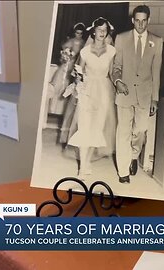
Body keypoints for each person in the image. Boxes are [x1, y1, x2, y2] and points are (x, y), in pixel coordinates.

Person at [112, 5, 163, 184]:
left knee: (140, 130)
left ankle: (134, 155)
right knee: (123, 132)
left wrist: (155, 99)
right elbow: (116, 66)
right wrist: (117, 81)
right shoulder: (121, 39)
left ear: (148, 21)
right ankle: (123, 171)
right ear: (133, 20)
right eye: (137, 20)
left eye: (144, 21)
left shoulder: (157, 42)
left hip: (145, 95)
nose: (140, 24)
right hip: (124, 94)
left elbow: (156, 73)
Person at [67, 17, 117, 177]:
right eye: (99, 29)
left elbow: (114, 72)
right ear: (93, 31)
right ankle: (82, 166)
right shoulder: (85, 51)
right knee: (84, 126)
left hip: (104, 92)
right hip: (87, 91)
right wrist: (78, 83)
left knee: (97, 128)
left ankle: (87, 161)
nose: (102, 32)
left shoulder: (111, 51)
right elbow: (78, 72)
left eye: (105, 30)